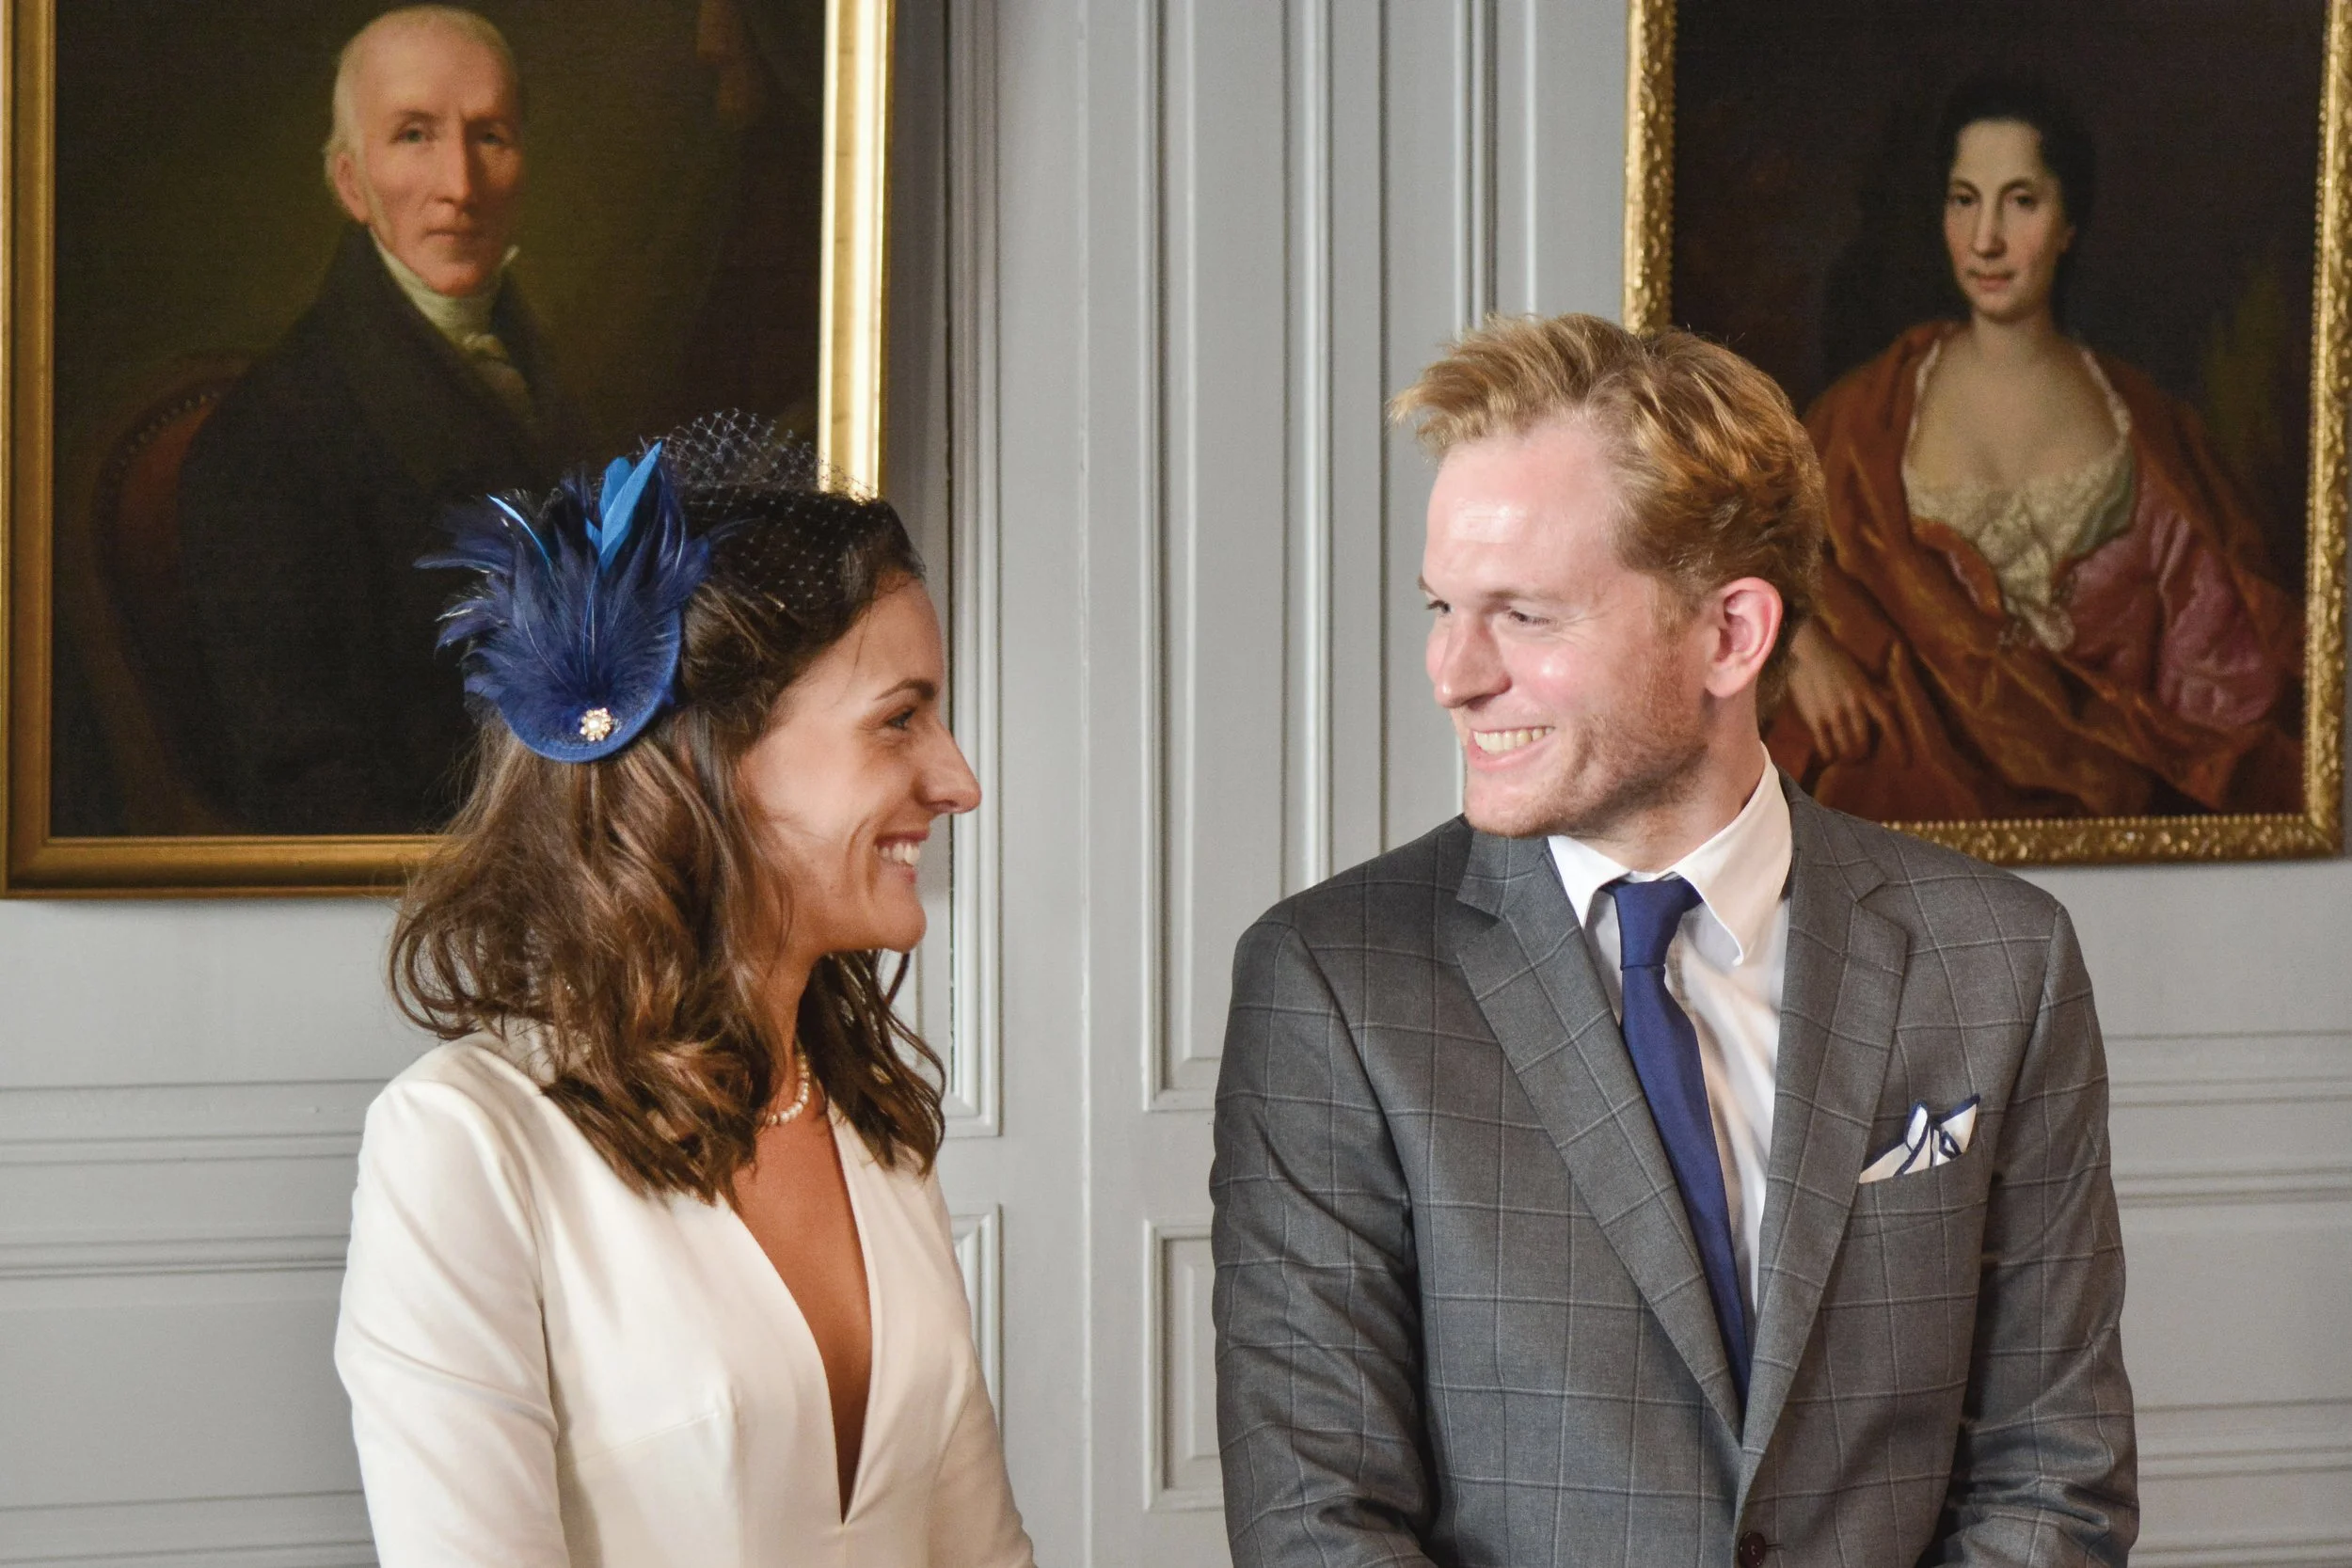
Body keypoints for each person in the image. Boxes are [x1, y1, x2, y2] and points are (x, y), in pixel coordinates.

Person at [1211, 315, 2136, 1566]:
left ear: (1730, 635)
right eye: (1442, 605)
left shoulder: (1998, 961)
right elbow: (1320, 1523)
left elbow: (2055, 1465)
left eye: (1523, 616)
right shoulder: (1335, 982)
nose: (1451, 669)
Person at [334, 416, 1034, 1567]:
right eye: (900, 718)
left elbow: (982, 1550)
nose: (955, 779)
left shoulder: (869, 1118)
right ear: (710, 753)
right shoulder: (464, 1141)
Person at [1776, 75, 2301, 821]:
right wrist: (1803, 649)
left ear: (2069, 222)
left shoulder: (2150, 436)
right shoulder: (1869, 415)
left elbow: (2223, 686)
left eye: (2021, 201)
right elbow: (1741, 554)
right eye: (1965, 200)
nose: (1986, 238)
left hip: (2116, 833)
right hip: (1892, 820)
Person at [178, 6, 579, 834]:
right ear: (351, 183)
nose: (460, 186)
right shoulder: (269, 444)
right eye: (414, 136)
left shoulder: (551, 380)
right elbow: (306, 779)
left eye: (490, 136)